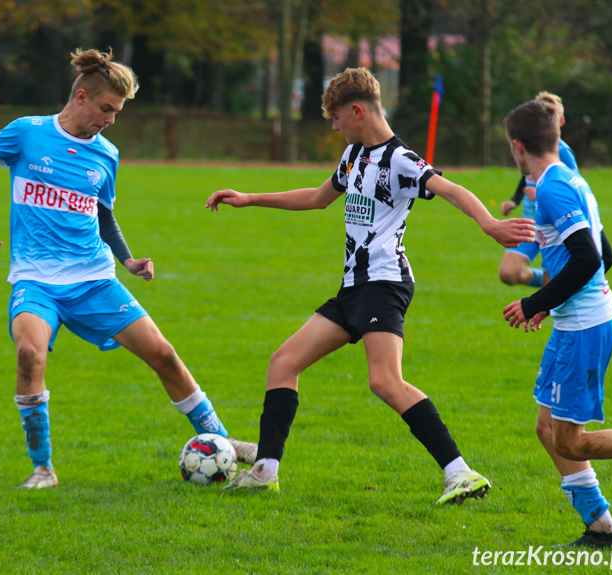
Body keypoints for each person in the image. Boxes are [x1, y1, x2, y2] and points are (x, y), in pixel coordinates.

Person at [205, 67, 535, 503]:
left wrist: (489, 223)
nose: (336, 127)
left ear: (358, 111)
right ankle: (265, 472)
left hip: (384, 284)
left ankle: (461, 473)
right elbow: (318, 197)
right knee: (283, 363)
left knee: (384, 381)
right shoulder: (353, 157)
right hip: (353, 289)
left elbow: (451, 188)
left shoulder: (399, 159)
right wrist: (250, 198)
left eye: (338, 119)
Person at [0, 48, 254, 489]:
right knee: (28, 354)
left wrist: (128, 259)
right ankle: (43, 469)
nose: (111, 119)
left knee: (164, 355)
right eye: (107, 109)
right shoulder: (27, 133)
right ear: (80, 97)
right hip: (36, 281)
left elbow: (103, 214)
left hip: (94, 280)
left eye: (117, 112)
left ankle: (223, 441)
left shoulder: (107, 155)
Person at [502, 100, 612, 548]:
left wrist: (534, 300)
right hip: (574, 321)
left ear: (518, 147)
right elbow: (607, 256)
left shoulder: (554, 189)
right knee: (547, 430)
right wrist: (549, 306)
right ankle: (601, 529)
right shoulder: (565, 179)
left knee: (572, 443)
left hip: (585, 327)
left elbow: (590, 257)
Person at [498, 92, 578, 288]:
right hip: (530, 223)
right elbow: (526, 176)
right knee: (508, 272)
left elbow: (573, 188)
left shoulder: (562, 152)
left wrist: (542, 193)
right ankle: (551, 283)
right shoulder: (530, 148)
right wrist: (515, 200)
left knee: (556, 285)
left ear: (560, 121)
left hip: (555, 225)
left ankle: (555, 284)